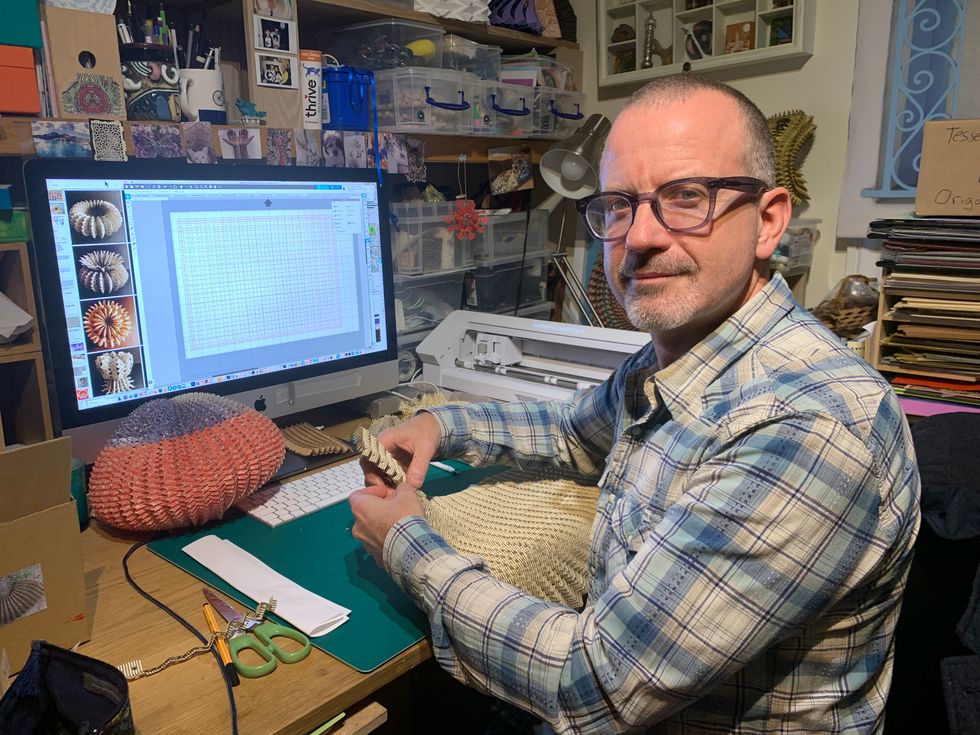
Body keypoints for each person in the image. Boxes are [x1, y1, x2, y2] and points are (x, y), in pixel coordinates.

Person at [350, 75, 921, 733]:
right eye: (619, 205)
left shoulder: (806, 422)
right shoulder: (680, 355)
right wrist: (439, 424)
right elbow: (571, 429)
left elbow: (594, 685)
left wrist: (407, 543)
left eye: (686, 197)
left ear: (768, 221)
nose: (640, 236)